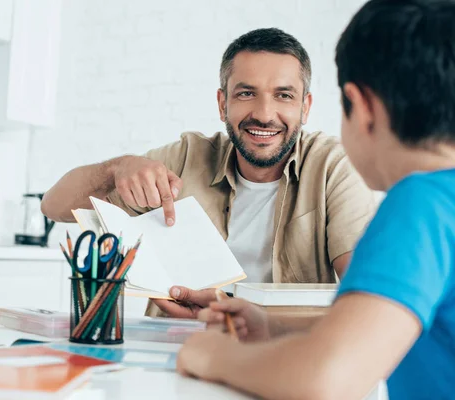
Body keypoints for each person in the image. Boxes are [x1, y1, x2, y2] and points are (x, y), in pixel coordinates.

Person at [176, 0, 455, 399]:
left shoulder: (420, 205)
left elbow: (327, 380)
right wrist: (274, 327)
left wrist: (210, 357)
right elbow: (387, 327)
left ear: (361, 108)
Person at [42, 28, 376, 318]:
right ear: (222, 104)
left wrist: (236, 315)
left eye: (284, 95)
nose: (264, 114)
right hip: (176, 351)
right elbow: (53, 206)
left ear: (305, 107)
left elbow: (365, 300)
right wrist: (117, 168)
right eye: (246, 93)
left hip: (282, 356)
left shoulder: (334, 166)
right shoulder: (186, 158)